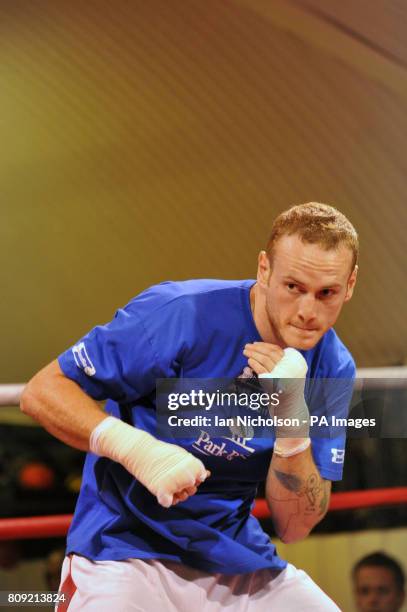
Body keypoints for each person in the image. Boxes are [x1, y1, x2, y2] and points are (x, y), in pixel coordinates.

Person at [21, 202, 358, 611]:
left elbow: (295, 526)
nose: (308, 311)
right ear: (265, 270)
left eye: (327, 293)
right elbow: (42, 391)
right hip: (123, 550)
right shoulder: (183, 313)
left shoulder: (332, 365)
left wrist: (292, 426)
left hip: (237, 561)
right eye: (293, 287)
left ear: (350, 285)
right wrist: (137, 449)